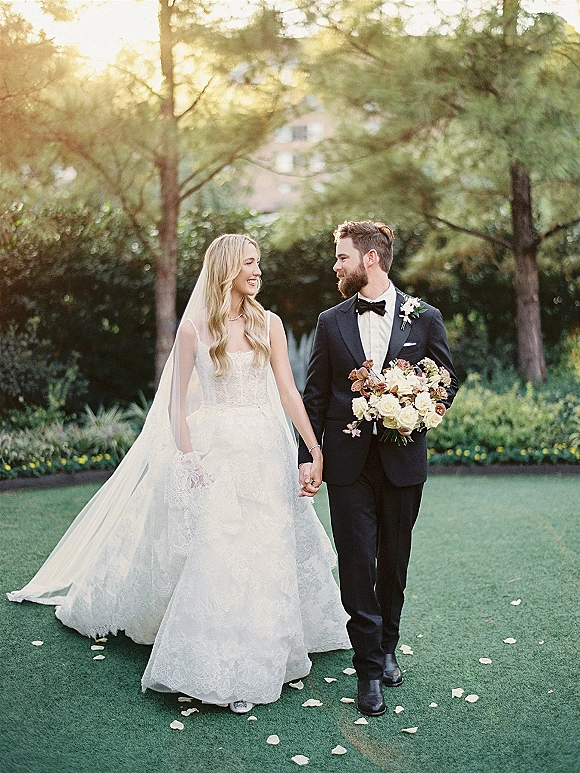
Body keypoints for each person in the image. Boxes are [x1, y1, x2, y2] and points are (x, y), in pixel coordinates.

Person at [8, 234, 349, 714]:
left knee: (268, 547)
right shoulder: (194, 331)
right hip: (214, 456)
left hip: (264, 454)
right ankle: (209, 661)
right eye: (250, 264)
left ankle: (265, 647)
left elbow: (289, 393)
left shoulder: (268, 323)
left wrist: (313, 448)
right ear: (228, 269)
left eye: (260, 265)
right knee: (220, 548)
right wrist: (188, 460)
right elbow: (176, 402)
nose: (259, 273)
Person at [298, 221, 458, 717]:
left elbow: (447, 379)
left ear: (370, 258)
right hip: (347, 466)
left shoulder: (425, 317)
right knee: (355, 563)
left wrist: (424, 402)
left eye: (342, 257)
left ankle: (388, 646)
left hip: (402, 461)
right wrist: (309, 455)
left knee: (393, 561)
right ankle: (368, 669)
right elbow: (316, 393)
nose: (336, 266)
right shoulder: (330, 321)